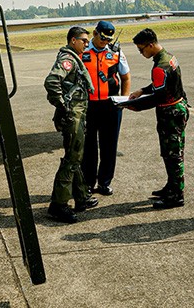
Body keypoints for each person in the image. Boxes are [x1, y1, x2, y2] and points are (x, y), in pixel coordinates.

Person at [128, 28, 189, 209]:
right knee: (172, 152)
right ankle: (172, 186)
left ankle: (176, 195)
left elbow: (159, 96)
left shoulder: (159, 66)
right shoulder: (169, 58)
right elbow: (160, 85)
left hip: (170, 113)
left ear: (151, 45)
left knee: (173, 155)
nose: (141, 53)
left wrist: (136, 106)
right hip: (178, 108)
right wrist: (143, 90)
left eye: (141, 49)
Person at [44, 26, 98, 223]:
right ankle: (58, 205)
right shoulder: (67, 60)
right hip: (73, 115)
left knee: (76, 155)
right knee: (72, 158)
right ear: (73, 40)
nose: (87, 43)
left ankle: (82, 196)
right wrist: (62, 105)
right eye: (83, 40)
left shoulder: (75, 58)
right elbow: (51, 81)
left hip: (78, 113)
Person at [81, 20, 130, 195]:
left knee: (109, 145)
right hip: (89, 105)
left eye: (108, 40)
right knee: (89, 146)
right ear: (95, 33)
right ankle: (87, 182)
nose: (105, 43)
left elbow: (125, 77)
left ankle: (104, 182)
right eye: (102, 38)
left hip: (111, 106)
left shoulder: (116, 52)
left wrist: (123, 100)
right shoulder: (83, 51)